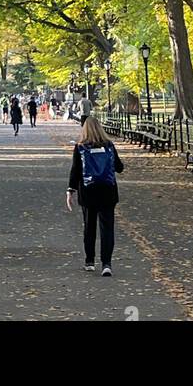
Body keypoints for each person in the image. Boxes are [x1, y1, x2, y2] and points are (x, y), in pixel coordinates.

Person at [66, 116, 124, 276]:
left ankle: (89, 261)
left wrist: (70, 190)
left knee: (89, 226)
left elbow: (75, 170)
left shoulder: (81, 147)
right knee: (107, 228)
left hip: (88, 191)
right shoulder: (109, 145)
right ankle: (106, 263)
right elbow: (119, 167)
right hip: (107, 191)